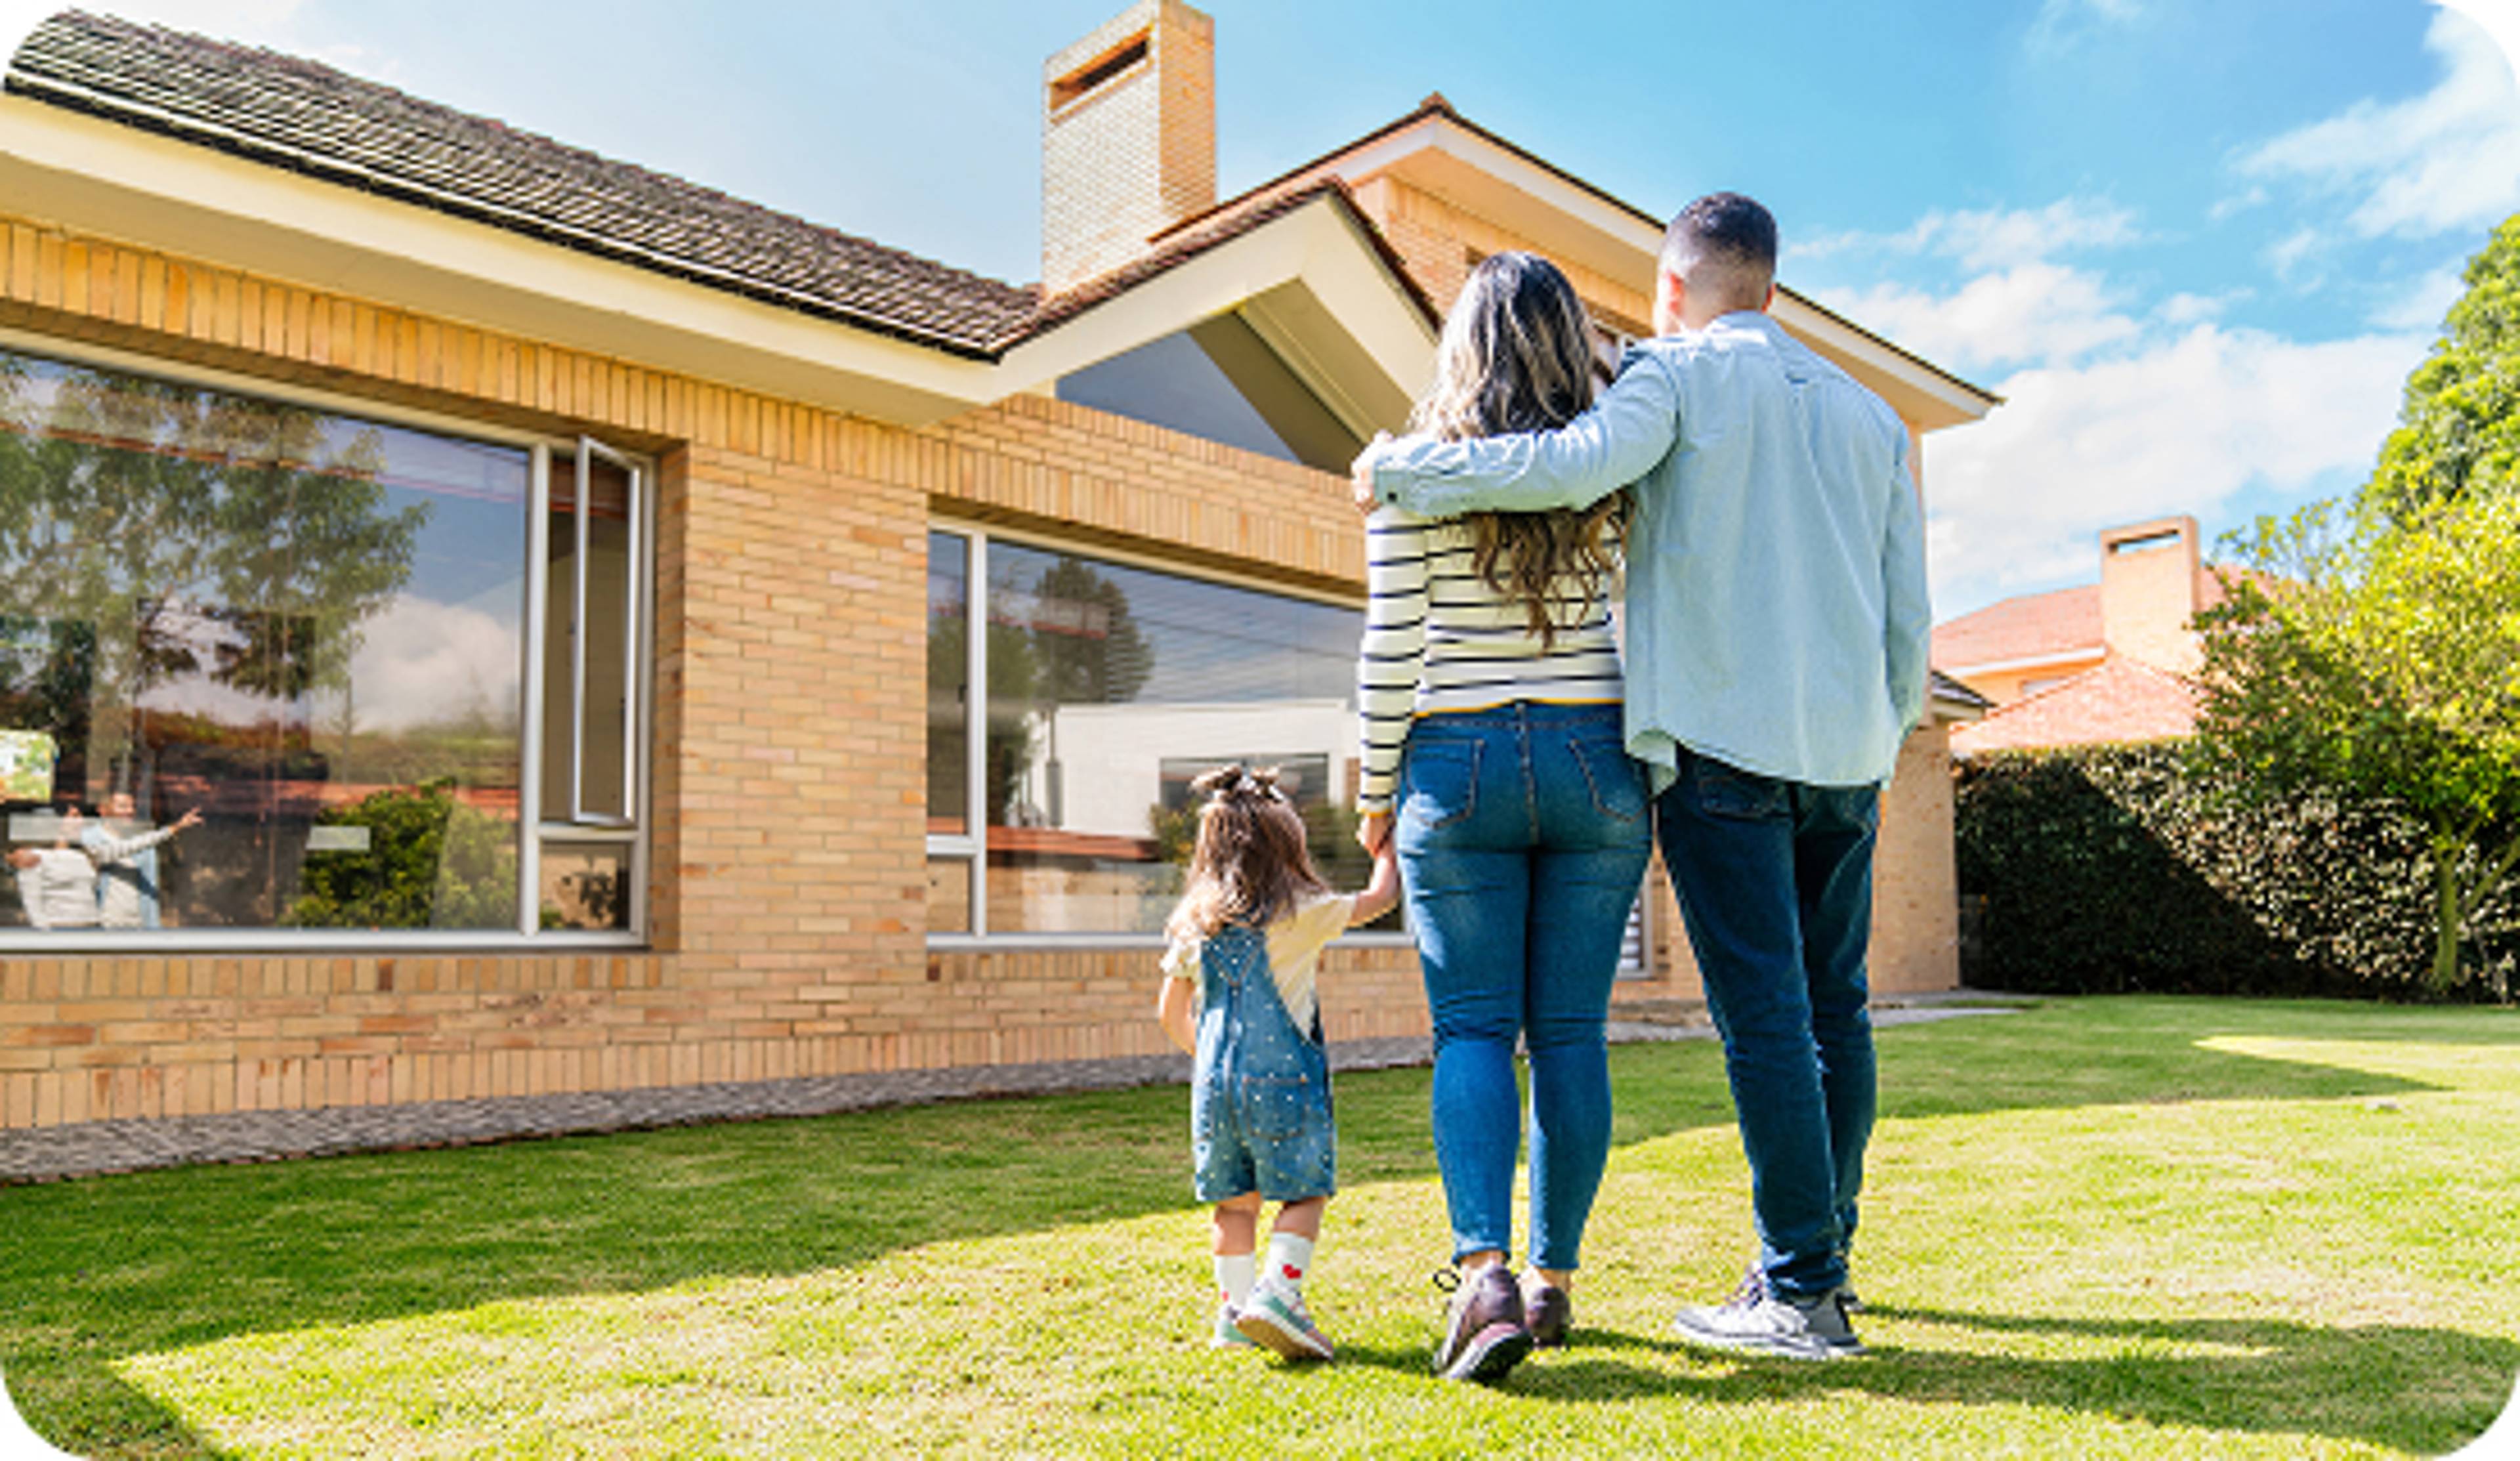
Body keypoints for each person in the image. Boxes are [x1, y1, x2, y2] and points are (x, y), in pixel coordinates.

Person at [1356, 194, 1931, 1361]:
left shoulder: (1666, 382)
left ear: (1671, 289)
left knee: (1759, 1015)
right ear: (1774, 285)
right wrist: (1886, 730)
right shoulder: (1876, 420)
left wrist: (1408, 472)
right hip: (1841, 755)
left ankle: (1798, 1287)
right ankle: (1817, 1253)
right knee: (1836, 1008)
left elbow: (1572, 467)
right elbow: (1908, 615)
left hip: (1718, 747)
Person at [1354, 250, 1656, 1384]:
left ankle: (1481, 1276)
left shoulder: (1412, 471)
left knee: (1474, 1032)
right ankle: (1551, 1285)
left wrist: (1376, 790)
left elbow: (1392, 650)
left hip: (1458, 759)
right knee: (1572, 1033)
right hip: (1595, 757)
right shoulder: (1614, 468)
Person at [1156, 764, 1400, 1363]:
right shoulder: (1301, 913)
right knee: (1303, 1193)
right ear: (1285, 850)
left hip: (1214, 1089)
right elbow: (1381, 899)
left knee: (1234, 1203)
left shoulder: (1194, 924)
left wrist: (1212, 1059)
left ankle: (1235, 1316)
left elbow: (1168, 1013)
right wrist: (1388, 846)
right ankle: (1280, 1296)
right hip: (1281, 1085)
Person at [83, 792, 202, 929]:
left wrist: (152, 926)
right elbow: (121, 849)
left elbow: (150, 890)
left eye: (133, 807)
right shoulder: (89, 839)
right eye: (123, 807)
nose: (130, 811)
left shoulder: (144, 846)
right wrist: (173, 829)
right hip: (103, 924)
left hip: (137, 924)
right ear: (102, 810)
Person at [8, 807, 105, 930]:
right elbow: (32, 902)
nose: (81, 822)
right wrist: (48, 938)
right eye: (74, 817)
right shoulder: (36, 857)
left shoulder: (83, 855)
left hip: (91, 928)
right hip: (60, 929)